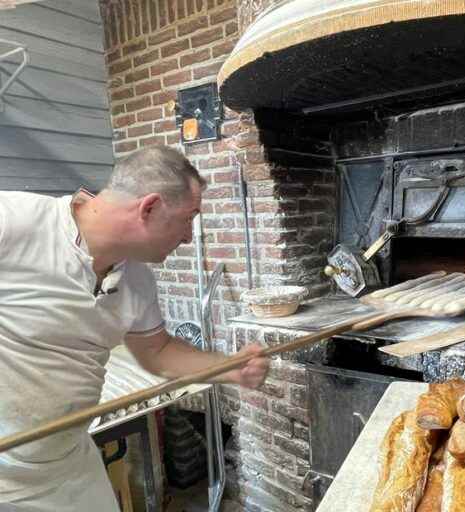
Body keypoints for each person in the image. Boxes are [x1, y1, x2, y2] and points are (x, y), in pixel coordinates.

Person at [0, 146, 269, 511]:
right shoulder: (14, 222)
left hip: (68, 462)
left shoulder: (136, 280)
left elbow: (157, 352)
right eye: (189, 218)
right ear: (150, 208)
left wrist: (229, 368)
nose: (189, 236)